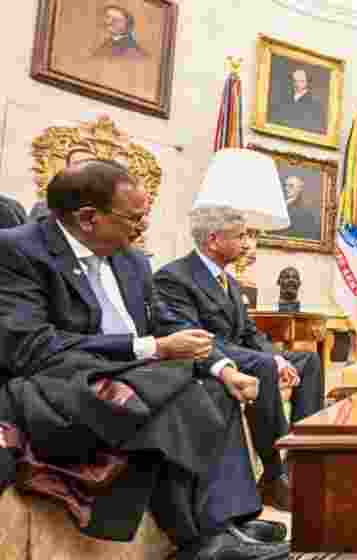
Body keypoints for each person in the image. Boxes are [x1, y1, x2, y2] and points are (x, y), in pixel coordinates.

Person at [0, 160, 288, 559]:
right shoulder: (18, 250)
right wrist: (151, 350)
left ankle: (227, 520)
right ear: (88, 218)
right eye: (133, 218)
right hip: (60, 379)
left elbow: (168, 323)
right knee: (174, 389)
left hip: (140, 371)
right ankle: (200, 540)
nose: (141, 227)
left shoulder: (130, 258)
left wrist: (222, 367)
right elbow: (32, 347)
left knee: (214, 388)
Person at [154, 206, 325, 513]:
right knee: (263, 366)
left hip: (240, 353)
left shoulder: (228, 280)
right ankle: (275, 475)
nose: (247, 243)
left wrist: (277, 358)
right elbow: (196, 338)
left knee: (307, 361)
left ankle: (304, 461)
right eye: (241, 236)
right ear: (213, 239)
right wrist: (268, 362)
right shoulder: (173, 277)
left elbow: (248, 332)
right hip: (208, 358)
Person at [271, 69, 325, 134]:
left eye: (301, 81)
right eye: (295, 81)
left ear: (307, 82)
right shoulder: (285, 99)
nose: (297, 84)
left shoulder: (315, 104)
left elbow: (316, 128)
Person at [277, 175, 322, 240]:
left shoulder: (305, 212)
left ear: (300, 188)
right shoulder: (281, 205)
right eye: (285, 185)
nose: (286, 188)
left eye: (291, 186)